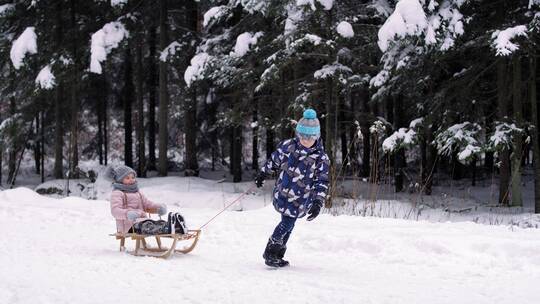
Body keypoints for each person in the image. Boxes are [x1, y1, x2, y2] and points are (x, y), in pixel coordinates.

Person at [255, 108, 330, 267]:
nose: (305, 140)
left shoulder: (320, 159)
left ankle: (277, 253)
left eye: (309, 138)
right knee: (287, 224)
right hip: (283, 193)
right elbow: (274, 160)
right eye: (302, 136)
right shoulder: (289, 146)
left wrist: (317, 202)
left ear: (316, 137)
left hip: (301, 199)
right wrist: (263, 173)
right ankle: (270, 252)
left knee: (289, 224)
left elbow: (321, 182)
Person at [108, 165, 167, 234]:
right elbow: (115, 211)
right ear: (120, 180)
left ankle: (167, 227)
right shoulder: (117, 193)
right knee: (147, 226)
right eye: (127, 178)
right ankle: (159, 229)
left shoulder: (137, 192)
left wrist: (158, 208)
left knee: (156, 223)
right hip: (128, 226)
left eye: (133, 177)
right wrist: (127, 213)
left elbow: (147, 204)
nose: (131, 179)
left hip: (143, 222)